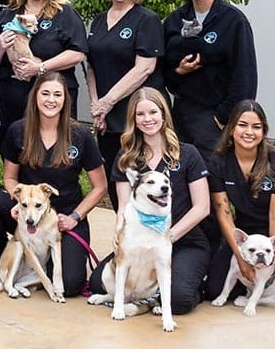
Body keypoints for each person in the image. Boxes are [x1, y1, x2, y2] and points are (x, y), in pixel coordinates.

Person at [0, 71, 107, 293]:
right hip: (27, 211)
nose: (51, 100)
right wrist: (17, 202)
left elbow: (100, 187)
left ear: (65, 99)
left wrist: (74, 217)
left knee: (70, 285)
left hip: (64, 217)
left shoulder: (80, 134)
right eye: (45, 93)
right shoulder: (18, 130)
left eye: (57, 95)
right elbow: (10, 177)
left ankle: (41, 264)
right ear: (35, 97)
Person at [87, 87, 211, 315]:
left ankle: (196, 285)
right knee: (99, 282)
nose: (148, 119)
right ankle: (146, 300)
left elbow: (202, 207)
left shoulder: (188, 154)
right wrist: (119, 231)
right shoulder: (126, 158)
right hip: (140, 238)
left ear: (164, 115)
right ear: (133, 120)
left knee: (178, 300)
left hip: (183, 240)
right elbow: (123, 204)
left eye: (153, 112)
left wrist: (168, 236)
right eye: (140, 114)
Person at [204, 100, 275, 312]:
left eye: (256, 127)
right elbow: (224, 213)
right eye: (242, 125)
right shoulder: (219, 162)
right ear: (231, 128)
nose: (249, 132)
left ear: (264, 131)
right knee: (213, 288)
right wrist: (240, 257)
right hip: (248, 231)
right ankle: (250, 288)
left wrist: (272, 265)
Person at [86, 0, 165, 210]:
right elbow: (91, 66)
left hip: (137, 116)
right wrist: (97, 106)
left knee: (142, 186)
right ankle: (121, 242)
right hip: (106, 120)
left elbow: (145, 68)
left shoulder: (146, 19)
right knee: (115, 181)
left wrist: (108, 102)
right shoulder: (98, 21)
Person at [162, 0, 257, 155]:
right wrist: (179, 71)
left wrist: (224, 117)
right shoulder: (174, 21)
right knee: (185, 181)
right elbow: (163, 72)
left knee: (218, 182)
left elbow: (245, 76)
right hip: (182, 119)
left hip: (217, 120)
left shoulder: (233, 21)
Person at [0, 0, 87, 148]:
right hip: (11, 103)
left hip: (52, 100)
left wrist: (40, 67)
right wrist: (0, 47)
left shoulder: (64, 14)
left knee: (52, 154)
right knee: (13, 155)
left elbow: (78, 52)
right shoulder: (8, 14)